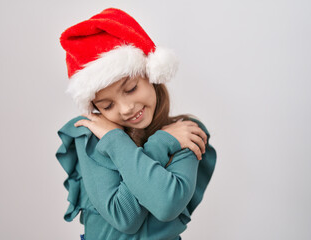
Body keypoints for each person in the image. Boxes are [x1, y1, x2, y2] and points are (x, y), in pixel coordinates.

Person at [56, 8, 217, 240]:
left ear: (150, 75)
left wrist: (156, 140)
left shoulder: (185, 132)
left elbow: (166, 204)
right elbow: (124, 217)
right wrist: (157, 145)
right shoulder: (91, 134)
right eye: (107, 105)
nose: (126, 108)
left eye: (131, 89)